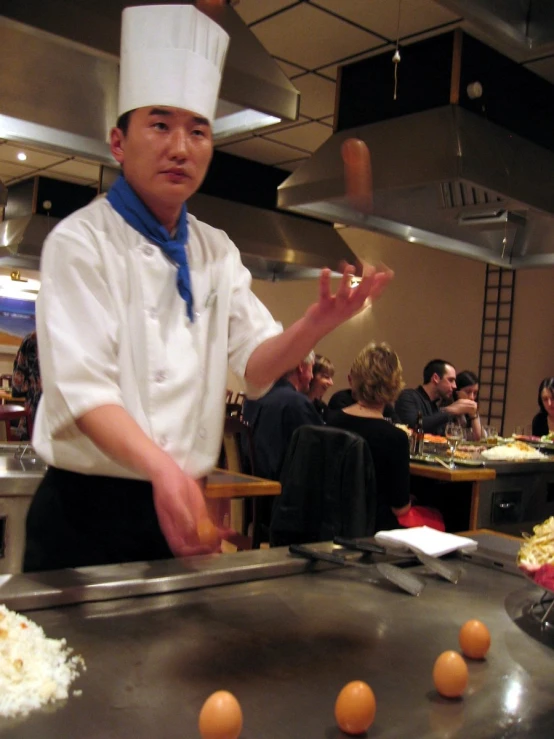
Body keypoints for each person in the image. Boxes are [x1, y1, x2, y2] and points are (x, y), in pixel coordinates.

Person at [24, 5, 393, 572]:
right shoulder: (79, 242)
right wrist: (166, 470)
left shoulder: (214, 249)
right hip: (86, 516)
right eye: (160, 124)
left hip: (182, 508)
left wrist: (318, 323)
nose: (180, 147)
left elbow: (258, 365)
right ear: (118, 142)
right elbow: (85, 394)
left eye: (198, 131)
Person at [327, 343, 443, 532]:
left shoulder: (330, 420)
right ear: (395, 385)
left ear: (353, 379)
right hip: (373, 531)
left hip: (328, 524)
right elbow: (400, 509)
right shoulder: (395, 438)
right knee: (437, 515)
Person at [243, 352, 323, 483]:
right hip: (278, 493)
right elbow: (318, 456)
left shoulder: (253, 398)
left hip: (250, 487)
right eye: (312, 369)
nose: (312, 376)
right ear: (301, 367)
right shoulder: (296, 403)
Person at [395, 359, 477, 435]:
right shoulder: (408, 396)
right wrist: (450, 411)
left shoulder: (436, 405)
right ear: (436, 378)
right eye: (450, 380)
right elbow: (413, 427)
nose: (455, 386)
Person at [11, 331, 42, 440]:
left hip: (33, 420)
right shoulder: (73, 340)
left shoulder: (31, 339)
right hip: (69, 422)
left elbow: (17, 385)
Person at [452, 370, 482, 441]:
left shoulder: (472, 410)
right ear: (457, 392)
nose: (472, 397)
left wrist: (473, 415)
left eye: (475, 393)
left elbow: (478, 438)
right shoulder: (448, 409)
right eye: (468, 392)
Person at [307, 354, 334, 420]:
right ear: (311, 375)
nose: (331, 383)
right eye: (326, 377)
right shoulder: (296, 405)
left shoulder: (322, 408)